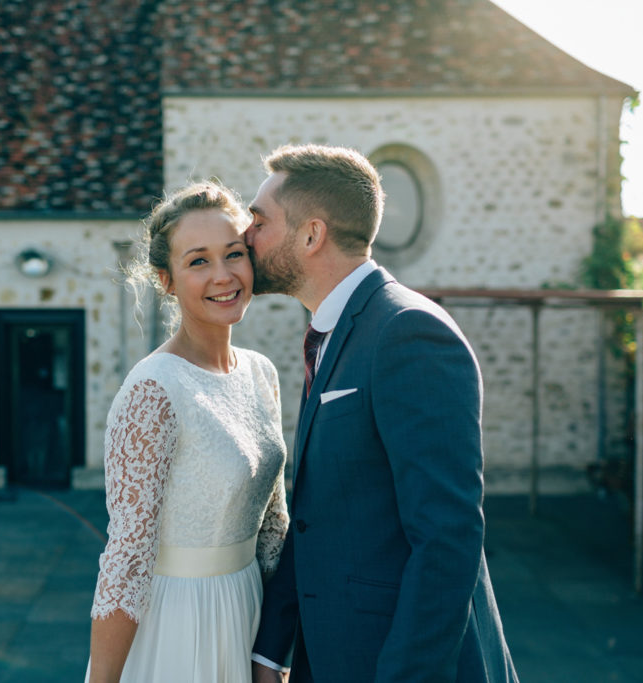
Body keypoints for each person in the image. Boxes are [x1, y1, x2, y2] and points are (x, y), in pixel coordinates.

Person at [246, 144, 518, 683]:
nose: (245, 235)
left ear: (311, 234)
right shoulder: (333, 331)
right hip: (333, 653)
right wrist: (270, 648)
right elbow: (317, 510)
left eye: (259, 221)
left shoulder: (409, 334)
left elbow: (448, 538)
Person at [87, 181, 289, 682]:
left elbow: (273, 530)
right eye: (198, 261)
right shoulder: (153, 390)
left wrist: (276, 651)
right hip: (178, 624)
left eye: (234, 254)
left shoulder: (261, 373)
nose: (223, 275)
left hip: (250, 613)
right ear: (166, 280)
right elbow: (126, 560)